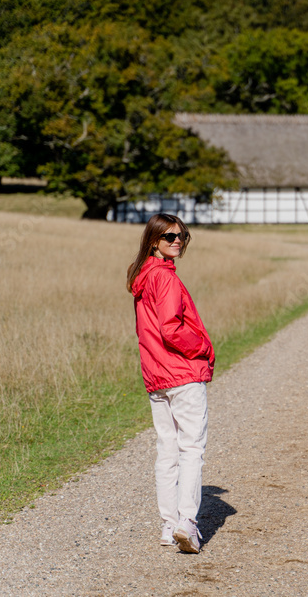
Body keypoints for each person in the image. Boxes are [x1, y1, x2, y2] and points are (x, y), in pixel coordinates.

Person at [126, 213, 215, 553]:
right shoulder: (164, 278)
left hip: (157, 376)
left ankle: (168, 525)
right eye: (169, 236)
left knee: (167, 450)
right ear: (154, 241)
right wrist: (203, 346)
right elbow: (170, 328)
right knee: (191, 449)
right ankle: (186, 522)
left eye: (182, 235)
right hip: (182, 373)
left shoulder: (143, 277)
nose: (177, 241)